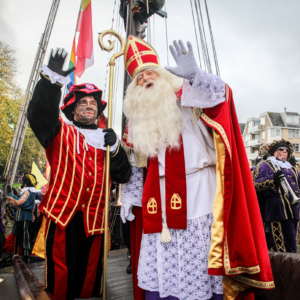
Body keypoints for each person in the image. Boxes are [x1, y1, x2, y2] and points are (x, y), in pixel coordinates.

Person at [119, 36, 274, 300]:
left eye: (150, 72)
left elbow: (222, 99)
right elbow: (137, 162)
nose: (145, 78)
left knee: (200, 259)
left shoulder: (190, 99)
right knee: (164, 267)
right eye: (138, 77)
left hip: (200, 191)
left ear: (164, 75)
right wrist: (130, 197)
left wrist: (196, 76)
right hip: (160, 197)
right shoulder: (138, 122)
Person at [27, 49, 131, 300]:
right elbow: (39, 114)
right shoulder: (58, 131)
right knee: (61, 278)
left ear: (98, 111)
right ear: (73, 110)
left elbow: (124, 175)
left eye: (93, 103)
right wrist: (50, 82)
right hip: (62, 215)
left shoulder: (107, 141)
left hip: (94, 220)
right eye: (82, 103)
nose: (88, 106)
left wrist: (116, 148)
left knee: (89, 278)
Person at [253, 139, 300, 253]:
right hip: (277, 211)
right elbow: (256, 184)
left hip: (293, 211)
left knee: (291, 246)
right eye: (281, 149)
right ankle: (284, 270)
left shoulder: (293, 168)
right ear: (274, 152)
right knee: (282, 249)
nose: (285, 151)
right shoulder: (265, 165)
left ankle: (289, 269)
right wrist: (272, 178)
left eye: (287, 150)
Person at [6, 174, 37, 264]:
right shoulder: (29, 192)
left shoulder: (28, 192)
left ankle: (25, 256)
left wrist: (10, 195)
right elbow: (20, 201)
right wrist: (15, 195)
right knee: (22, 236)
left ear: (26, 184)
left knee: (24, 237)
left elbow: (20, 202)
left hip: (24, 217)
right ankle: (22, 255)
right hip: (22, 217)